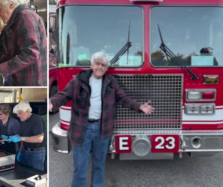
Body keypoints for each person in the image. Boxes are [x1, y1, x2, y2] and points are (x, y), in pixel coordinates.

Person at [49, 52, 155, 187]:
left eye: (103, 65)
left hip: (102, 129)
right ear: (92, 65)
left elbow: (123, 98)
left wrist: (140, 106)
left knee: (99, 165)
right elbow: (64, 95)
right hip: (82, 129)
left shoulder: (111, 82)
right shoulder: (78, 81)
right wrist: (52, 102)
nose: (99, 67)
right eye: (97, 64)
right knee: (80, 167)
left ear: (106, 68)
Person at [0, 0, 47, 86]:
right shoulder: (16, 20)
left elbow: (31, 53)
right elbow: (12, 54)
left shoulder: (26, 18)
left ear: (11, 5)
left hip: (32, 82)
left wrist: (0, 69)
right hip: (22, 79)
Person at [6, 102, 46, 171]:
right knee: (22, 173)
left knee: (35, 176)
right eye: (17, 113)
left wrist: (20, 138)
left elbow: (39, 138)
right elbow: (23, 138)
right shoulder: (23, 120)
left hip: (36, 153)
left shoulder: (37, 120)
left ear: (27, 111)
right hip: (25, 151)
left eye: (20, 113)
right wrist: (20, 152)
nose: (18, 115)